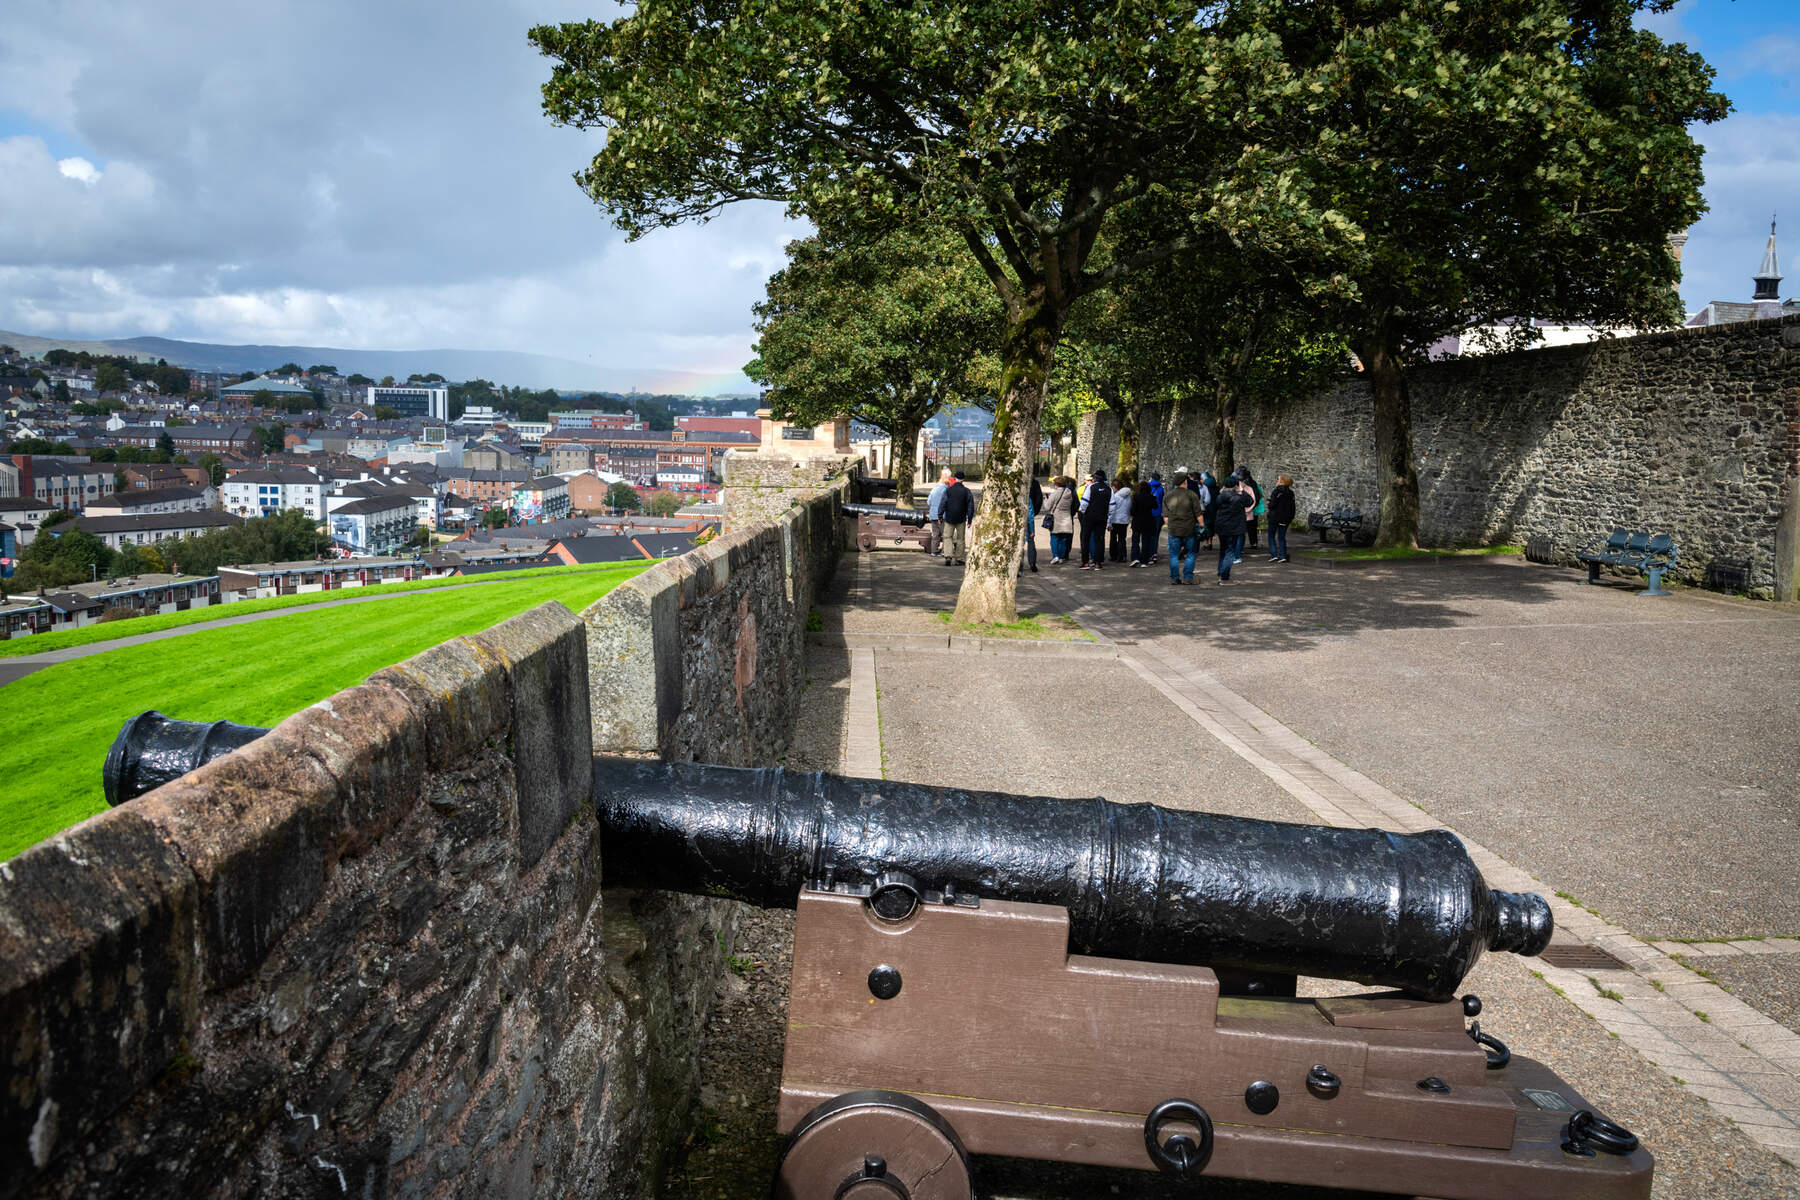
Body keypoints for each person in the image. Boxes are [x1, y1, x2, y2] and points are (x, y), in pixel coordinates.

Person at [1211, 473, 1252, 583]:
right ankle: (1224, 576)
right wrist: (1242, 491)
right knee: (1230, 551)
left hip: (1221, 526)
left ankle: (1221, 573)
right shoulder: (1237, 498)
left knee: (1223, 551)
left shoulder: (1220, 497)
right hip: (1233, 527)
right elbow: (1250, 501)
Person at [1162, 471, 1201, 584]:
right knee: (1190, 554)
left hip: (1174, 530)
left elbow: (1166, 517)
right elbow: (1198, 514)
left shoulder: (1168, 496)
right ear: (1185, 482)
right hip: (1189, 529)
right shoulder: (1191, 495)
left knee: (1174, 555)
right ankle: (1188, 577)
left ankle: (1175, 577)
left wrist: (1169, 527)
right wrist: (1202, 526)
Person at [939, 470, 974, 566]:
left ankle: (948, 556)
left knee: (947, 537)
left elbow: (943, 503)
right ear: (963, 479)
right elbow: (970, 506)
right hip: (961, 518)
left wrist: (940, 516)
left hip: (949, 517)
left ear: (954, 478)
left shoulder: (948, 490)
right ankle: (959, 558)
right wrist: (969, 519)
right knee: (960, 539)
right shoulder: (967, 491)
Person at [1079, 468, 1110, 570]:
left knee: (1085, 539)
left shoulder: (1090, 487)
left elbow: (1084, 502)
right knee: (1099, 540)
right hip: (1102, 517)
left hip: (1089, 517)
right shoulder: (1108, 489)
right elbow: (1112, 505)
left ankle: (1085, 563)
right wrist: (1108, 516)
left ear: (1095, 478)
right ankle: (1098, 563)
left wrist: (1084, 512)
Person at [1042, 476, 1077, 563]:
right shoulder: (1069, 492)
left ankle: (1056, 556)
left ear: (1056, 484)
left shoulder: (1055, 493)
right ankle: (1061, 557)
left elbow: (1047, 507)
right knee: (1063, 539)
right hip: (1067, 518)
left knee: (1054, 537)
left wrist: (1045, 499)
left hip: (1056, 518)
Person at [1130, 470, 1159, 566]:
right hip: (1148, 520)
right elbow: (1155, 506)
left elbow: (1133, 510)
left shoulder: (1136, 496)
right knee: (1146, 541)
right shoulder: (1151, 497)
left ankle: (1135, 557)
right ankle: (1144, 560)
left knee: (1135, 540)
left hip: (1137, 521)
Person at [1267, 473, 1296, 563]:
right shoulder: (1291, 493)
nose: (1277, 481)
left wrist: (1269, 504)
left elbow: (1272, 505)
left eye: (1278, 479)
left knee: (1271, 536)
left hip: (1274, 517)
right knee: (1281, 537)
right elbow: (1292, 507)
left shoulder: (1276, 491)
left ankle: (1274, 555)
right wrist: (1291, 518)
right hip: (1285, 518)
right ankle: (1283, 555)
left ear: (1282, 481)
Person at [926, 468, 952, 556]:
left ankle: (934, 551)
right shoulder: (947, 490)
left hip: (933, 515)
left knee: (935, 534)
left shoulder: (934, 489)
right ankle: (944, 551)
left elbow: (928, 502)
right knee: (945, 534)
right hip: (943, 515)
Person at [1021, 475, 1044, 573]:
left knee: (1019, 544)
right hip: (1027, 520)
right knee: (1030, 541)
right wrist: (1032, 530)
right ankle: (1032, 563)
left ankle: (1019, 567)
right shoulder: (1028, 499)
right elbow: (1030, 515)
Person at [1107, 474, 1132, 563]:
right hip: (1124, 520)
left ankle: (1113, 555)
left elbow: (1111, 510)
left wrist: (1109, 522)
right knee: (1122, 539)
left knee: (1113, 538)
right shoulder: (1128, 496)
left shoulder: (1115, 496)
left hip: (1115, 520)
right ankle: (1122, 556)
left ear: (1115, 487)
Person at [1239, 466, 1264, 549]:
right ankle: (1254, 543)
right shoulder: (1254, 483)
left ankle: (1240, 546)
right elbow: (1260, 494)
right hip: (1254, 509)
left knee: (1241, 528)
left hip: (1244, 509)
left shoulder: (1241, 484)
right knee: (1253, 527)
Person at [1146, 471, 1165, 563]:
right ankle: (1154, 553)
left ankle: (1147, 553)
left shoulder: (1146, 486)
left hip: (1148, 512)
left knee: (1147, 534)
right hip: (1157, 512)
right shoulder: (1161, 488)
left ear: (1151, 478)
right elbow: (1160, 500)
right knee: (1155, 534)